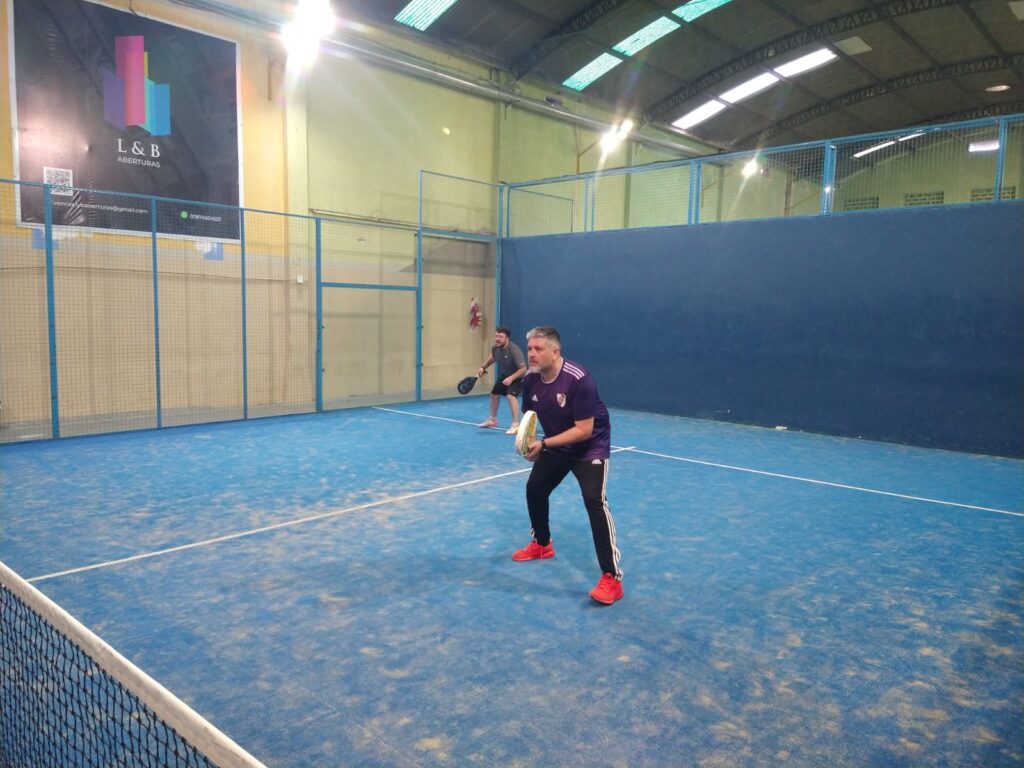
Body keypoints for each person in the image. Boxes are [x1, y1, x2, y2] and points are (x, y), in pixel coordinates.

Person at [511, 326, 623, 605]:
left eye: (538, 349)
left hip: (589, 446)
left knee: (594, 500)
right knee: (535, 488)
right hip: (556, 443)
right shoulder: (531, 380)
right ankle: (542, 544)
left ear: (555, 351)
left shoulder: (579, 379)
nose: (532, 354)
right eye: (529, 349)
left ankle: (612, 578)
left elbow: (584, 430)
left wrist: (545, 444)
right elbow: (530, 418)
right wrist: (530, 444)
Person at [477, 327, 527, 434]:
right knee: (494, 394)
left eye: (500, 336)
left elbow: (523, 369)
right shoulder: (495, 348)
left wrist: (511, 378)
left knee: (511, 396)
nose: (497, 339)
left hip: (519, 377)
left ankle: (515, 425)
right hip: (506, 375)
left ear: (507, 338)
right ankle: (492, 420)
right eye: (496, 336)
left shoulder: (514, 350)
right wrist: (483, 367)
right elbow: (492, 358)